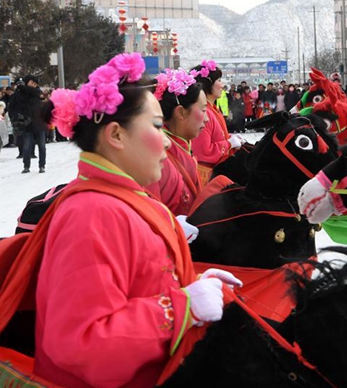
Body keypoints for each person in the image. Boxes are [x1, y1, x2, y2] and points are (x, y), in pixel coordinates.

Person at [32, 53, 241, 387]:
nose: (165, 141)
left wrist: (189, 281)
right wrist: (180, 308)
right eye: (157, 126)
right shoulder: (91, 214)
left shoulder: (125, 197)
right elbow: (81, 343)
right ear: (116, 135)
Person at [146, 68, 207, 216]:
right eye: (203, 110)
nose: (207, 119)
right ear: (180, 112)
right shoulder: (158, 159)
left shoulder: (182, 145)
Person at [190, 60, 244, 185]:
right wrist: (228, 144)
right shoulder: (205, 113)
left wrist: (229, 138)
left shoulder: (213, 109)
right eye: (219, 80)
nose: (222, 84)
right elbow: (203, 151)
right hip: (208, 178)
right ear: (208, 84)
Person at [9, 75, 43, 172]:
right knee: (26, 145)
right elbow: (12, 107)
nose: (33, 85)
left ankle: (41, 165)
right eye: (32, 83)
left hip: (39, 122)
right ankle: (26, 166)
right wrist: (15, 118)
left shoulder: (35, 92)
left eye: (35, 83)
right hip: (26, 123)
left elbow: (36, 95)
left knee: (41, 146)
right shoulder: (18, 94)